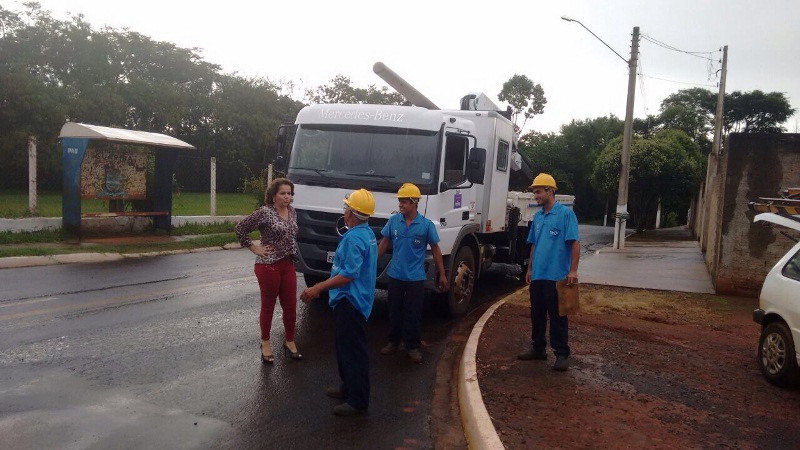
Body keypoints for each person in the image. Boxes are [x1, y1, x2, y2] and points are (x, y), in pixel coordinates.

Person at [300, 188, 378, 416]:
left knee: (353, 351)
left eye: (346, 208)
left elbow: (348, 275)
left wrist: (317, 288)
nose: (344, 211)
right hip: (353, 299)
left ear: (352, 214)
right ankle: (348, 387)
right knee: (344, 347)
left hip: (351, 300)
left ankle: (358, 401)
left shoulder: (354, 239)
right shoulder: (367, 234)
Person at [235, 177, 303, 364]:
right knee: (269, 305)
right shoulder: (265, 212)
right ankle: (265, 342)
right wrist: (254, 247)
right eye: (283, 193)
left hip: (287, 264)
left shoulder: (292, 212)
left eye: (289, 193)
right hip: (268, 266)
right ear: (274, 196)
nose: (287, 197)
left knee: (290, 305)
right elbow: (240, 228)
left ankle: (289, 340)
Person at [377, 183, 447, 363]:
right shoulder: (394, 221)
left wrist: (442, 273)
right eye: (400, 201)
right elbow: (384, 243)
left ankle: (412, 346)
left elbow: (436, 249)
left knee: (413, 313)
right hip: (396, 275)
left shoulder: (426, 225)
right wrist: (371, 264)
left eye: (404, 202)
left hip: (416, 278)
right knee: (394, 310)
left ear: (414, 203)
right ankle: (393, 342)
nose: (400, 205)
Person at [517, 173, 580, 372]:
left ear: (550, 191)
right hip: (538, 276)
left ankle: (561, 354)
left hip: (557, 275)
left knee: (558, 316)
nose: (535, 195)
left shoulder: (565, 214)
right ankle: (538, 349)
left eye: (538, 192)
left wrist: (573, 271)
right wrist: (529, 269)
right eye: (534, 192)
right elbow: (534, 244)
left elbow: (575, 243)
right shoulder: (537, 216)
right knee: (536, 314)